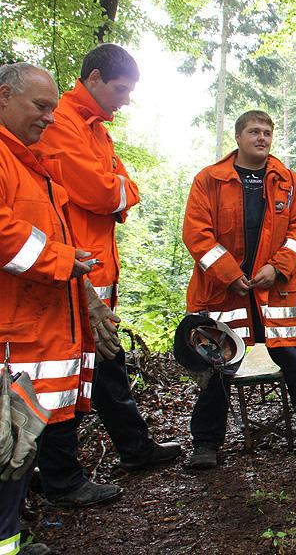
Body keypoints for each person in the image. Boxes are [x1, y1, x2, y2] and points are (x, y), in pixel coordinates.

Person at [30, 44, 180, 508]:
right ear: (94, 78)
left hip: (93, 268)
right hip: (67, 271)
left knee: (103, 365)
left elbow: (123, 188)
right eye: (121, 89)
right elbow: (102, 190)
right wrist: (114, 187)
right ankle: (59, 476)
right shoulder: (61, 124)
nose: (127, 100)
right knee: (65, 375)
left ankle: (132, 449)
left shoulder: (96, 129)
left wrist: (116, 187)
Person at [181, 110, 296, 468]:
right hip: (223, 293)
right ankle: (205, 445)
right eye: (253, 131)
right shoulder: (209, 180)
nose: (261, 137)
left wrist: (277, 269)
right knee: (218, 366)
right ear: (238, 137)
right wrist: (229, 273)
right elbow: (197, 235)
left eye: (266, 132)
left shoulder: (290, 182)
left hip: (274, 292)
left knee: (295, 362)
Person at [0, 62, 102, 554]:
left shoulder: (31, 162)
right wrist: (65, 260)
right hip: (12, 337)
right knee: (7, 443)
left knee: (18, 446)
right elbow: (5, 238)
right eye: (40, 106)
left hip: (39, 331)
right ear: (4, 96)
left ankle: (11, 535)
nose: (48, 117)